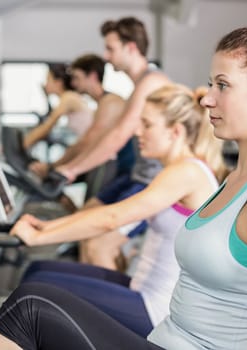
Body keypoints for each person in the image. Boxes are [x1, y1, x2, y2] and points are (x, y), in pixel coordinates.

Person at [0, 23, 247, 350]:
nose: (206, 99)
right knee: (32, 301)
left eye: (222, 85)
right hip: (162, 338)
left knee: (29, 309)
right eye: (210, 84)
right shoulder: (233, 181)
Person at [9, 84, 225, 337]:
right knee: (37, 271)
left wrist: (38, 238)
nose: (137, 131)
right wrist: (46, 227)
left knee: (36, 289)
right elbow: (112, 213)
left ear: (174, 132)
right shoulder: (176, 171)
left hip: (156, 311)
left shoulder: (187, 172)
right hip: (141, 289)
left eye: (147, 124)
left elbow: (112, 219)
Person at [54, 17, 172, 270]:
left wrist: (73, 169)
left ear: (130, 47)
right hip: (134, 175)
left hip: (152, 181)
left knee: (99, 244)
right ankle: (89, 298)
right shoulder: (139, 84)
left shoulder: (152, 82)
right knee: (84, 219)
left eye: (111, 48)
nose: (106, 56)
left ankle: (109, 306)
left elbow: (119, 135)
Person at [29, 54, 134, 182]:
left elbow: (88, 141)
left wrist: (56, 166)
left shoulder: (110, 103)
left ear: (93, 76)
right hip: (108, 163)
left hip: (118, 166)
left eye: (77, 78)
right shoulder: (101, 104)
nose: (73, 83)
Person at [22, 63, 93, 150]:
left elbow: (47, 126)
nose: (45, 84)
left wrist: (22, 145)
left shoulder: (68, 98)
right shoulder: (69, 97)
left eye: (48, 79)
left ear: (58, 82)